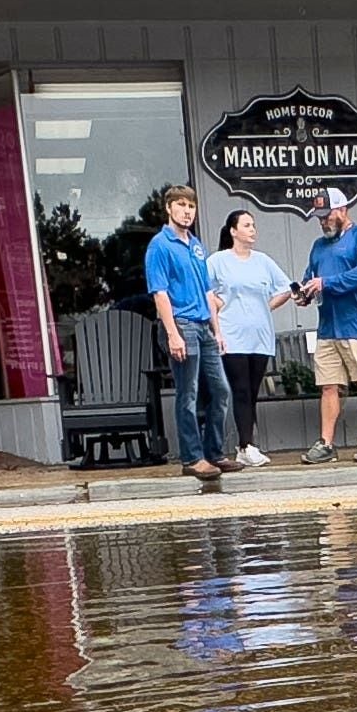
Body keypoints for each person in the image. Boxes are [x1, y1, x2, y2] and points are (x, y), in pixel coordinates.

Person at [143, 181, 232, 487]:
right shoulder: (160, 245)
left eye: (191, 206)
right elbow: (160, 294)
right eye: (180, 205)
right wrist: (173, 334)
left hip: (204, 326)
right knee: (188, 393)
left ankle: (215, 452)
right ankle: (192, 458)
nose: (186, 211)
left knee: (220, 390)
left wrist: (217, 330)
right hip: (181, 324)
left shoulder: (196, 244)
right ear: (168, 208)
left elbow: (208, 290)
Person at [294, 185, 357, 465]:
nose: (322, 221)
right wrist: (305, 293)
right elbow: (311, 276)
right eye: (319, 216)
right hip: (327, 328)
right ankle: (326, 444)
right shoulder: (318, 247)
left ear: (342, 209)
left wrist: (326, 283)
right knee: (329, 386)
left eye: (326, 214)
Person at [205, 209, 295, 471]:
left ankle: (247, 446)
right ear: (233, 231)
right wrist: (217, 329)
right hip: (232, 335)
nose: (252, 229)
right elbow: (206, 293)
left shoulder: (263, 261)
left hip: (260, 336)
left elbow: (286, 288)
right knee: (241, 390)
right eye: (246, 225)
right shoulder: (218, 261)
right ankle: (246, 445)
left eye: (253, 225)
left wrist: (267, 306)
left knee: (252, 392)